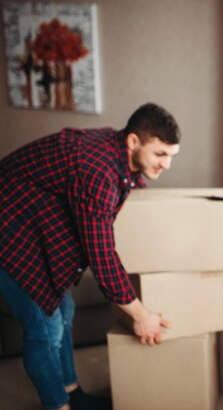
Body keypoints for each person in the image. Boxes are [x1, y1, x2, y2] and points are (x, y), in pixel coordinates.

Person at [0, 103, 181, 410]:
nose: (166, 164)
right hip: (8, 231)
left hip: (30, 227)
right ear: (133, 141)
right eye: (160, 154)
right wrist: (140, 314)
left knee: (65, 309)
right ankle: (58, 405)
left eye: (171, 156)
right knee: (45, 327)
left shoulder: (119, 157)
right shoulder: (97, 168)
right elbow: (101, 255)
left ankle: (71, 392)